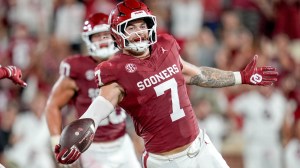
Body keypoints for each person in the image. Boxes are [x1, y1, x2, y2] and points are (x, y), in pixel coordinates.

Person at [54, 1, 278, 167]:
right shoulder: (116, 70)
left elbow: (197, 75)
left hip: (200, 147)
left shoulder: (166, 46)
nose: (139, 32)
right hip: (164, 161)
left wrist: (240, 76)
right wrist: (80, 130)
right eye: (131, 27)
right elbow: (99, 108)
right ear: (117, 34)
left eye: (142, 25)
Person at [45, 12, 141, 168]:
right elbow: (53, 105)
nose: (102, 40)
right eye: (97, 36)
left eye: (106, 35)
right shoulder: (78, 68)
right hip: (92, 147)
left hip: (122, 141)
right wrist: (57, 142)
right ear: (88, 39)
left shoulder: (126, 63)